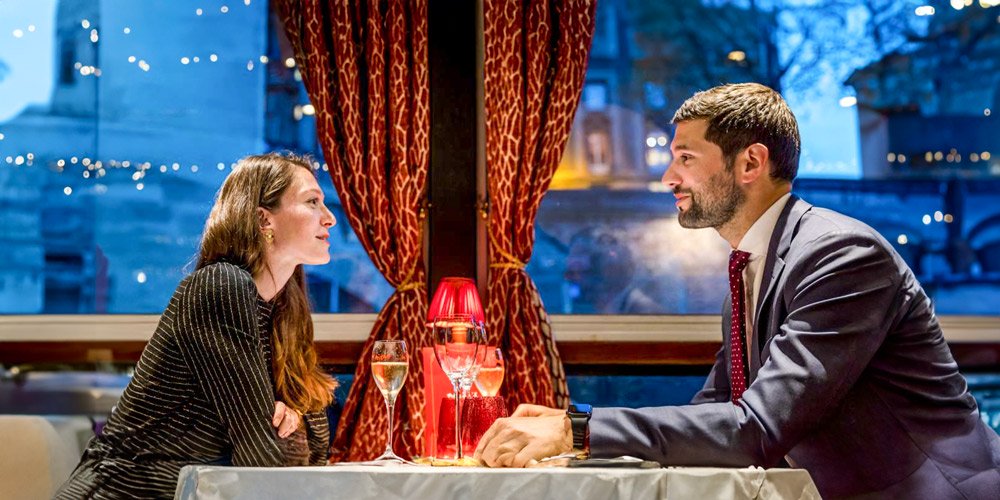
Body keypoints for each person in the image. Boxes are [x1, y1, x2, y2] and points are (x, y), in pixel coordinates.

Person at [474, 83, 1000, 499]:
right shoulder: (751, 265)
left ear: (750, 163)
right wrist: (572, 432)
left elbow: (756, 428)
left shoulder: (842, 255)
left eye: (685, 157)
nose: (667, 177)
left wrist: (580, 430)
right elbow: (716, 409)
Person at [56, 153, 339, 499]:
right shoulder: (219, 287)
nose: (329, 219)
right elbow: (262, 462)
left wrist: (292, 421)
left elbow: (317, 450)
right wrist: (287, 433)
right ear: (264, 220)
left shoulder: (286, 306)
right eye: (312, 202)